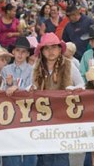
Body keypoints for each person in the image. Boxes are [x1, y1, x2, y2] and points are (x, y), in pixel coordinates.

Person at [33, 33, 84, 165]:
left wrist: (73, 89)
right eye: (47, 48)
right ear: (42, 51)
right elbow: (31, 86)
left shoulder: (69, 65)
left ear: (59, 49)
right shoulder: (37, 67)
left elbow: (81, 85)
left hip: (63, 117)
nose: (51, 51)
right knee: (45, 155)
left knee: (61, 153)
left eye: (54, 47)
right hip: (42, 117)